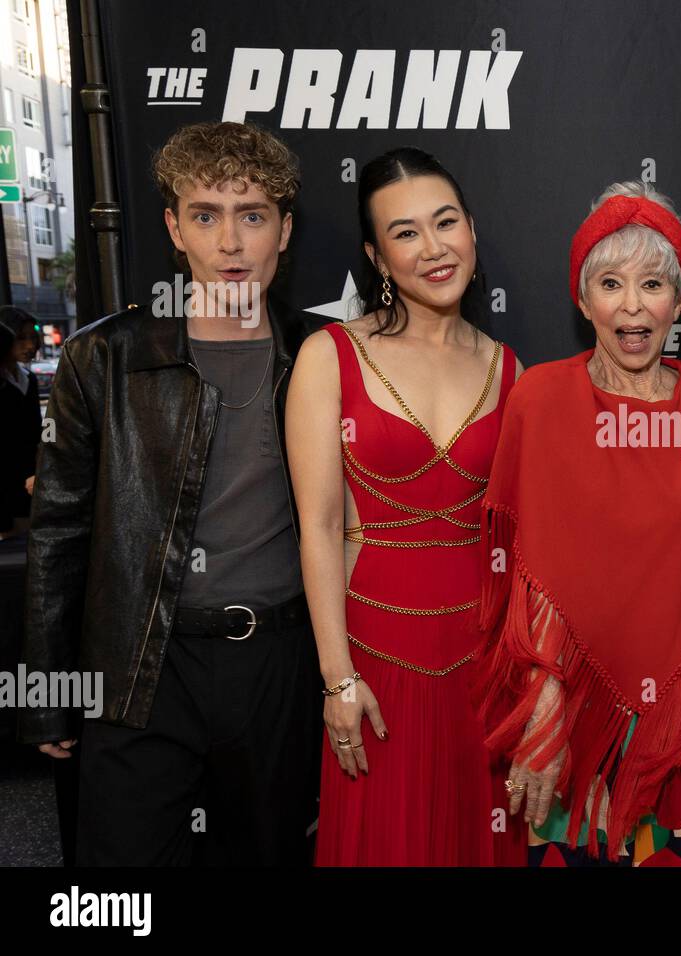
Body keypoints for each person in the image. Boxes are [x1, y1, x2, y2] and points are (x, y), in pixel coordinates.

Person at [19, 121, 326, 865]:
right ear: (173, 227)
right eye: (206, 215)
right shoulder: (104, 356)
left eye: (252, 216)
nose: (230, 242)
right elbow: (58, 529)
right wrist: (45, 693)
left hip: (278, 665)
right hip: (138, 663)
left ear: (283, 232)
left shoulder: (323, 353)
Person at [475, 181, 681, 865]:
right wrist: (542, 716)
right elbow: (529, 572)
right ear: (582, 300)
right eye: (610, 283)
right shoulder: (541, 398)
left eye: (654, 285)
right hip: (572, 722)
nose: (633, 307)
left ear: (680, 299)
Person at [287, 147, 525, 866]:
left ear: (473, 231)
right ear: (377, 256)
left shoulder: (510, 368)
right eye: (405, 233)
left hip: (483, 669)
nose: (433, 247)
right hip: (374, 668)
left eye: (445, 222)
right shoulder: (329, 355)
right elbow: (321, 529)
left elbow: (522, 544)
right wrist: (338, 678)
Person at [0, 307, 41, 539]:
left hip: (30, 483)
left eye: (33, 337)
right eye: (21, 338)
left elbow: (36, 433)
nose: (30, 346)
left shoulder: (29, 380)